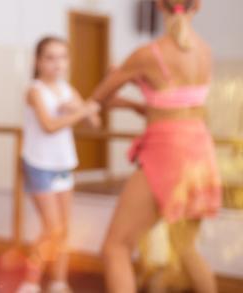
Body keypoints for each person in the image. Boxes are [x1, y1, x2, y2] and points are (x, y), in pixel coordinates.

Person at [88, 1, 221, 292]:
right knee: (185, 248)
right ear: (197, 5)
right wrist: (138, 101)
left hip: (168, 151)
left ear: (159, 5)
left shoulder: (148, 54)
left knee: (116, 248)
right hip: (199, 151)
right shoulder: (206, 52)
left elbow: (99, 97)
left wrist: (117, 76)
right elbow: (179, 106)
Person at [16, 36, 100, 293]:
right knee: (52, 229)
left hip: (64, 164)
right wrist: (81, 111)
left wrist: (78, 107)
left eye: (62, 57)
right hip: (39, 165)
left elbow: (94, 124)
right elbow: (49, 125)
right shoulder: (34, 90)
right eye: (50, 57)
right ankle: (30, 282)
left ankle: (58, 282)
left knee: (63, 229)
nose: (57, 63)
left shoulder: (68, 89)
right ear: (38, 61)